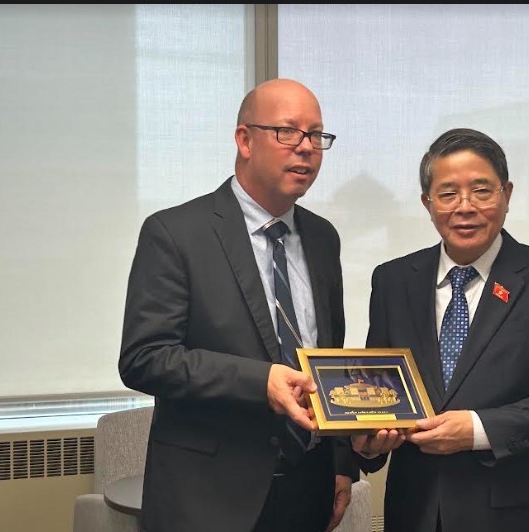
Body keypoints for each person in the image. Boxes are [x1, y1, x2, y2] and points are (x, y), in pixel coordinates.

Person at [119, 78, 358, 532]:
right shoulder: (175, 233)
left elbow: (327, 357)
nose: (306, 148)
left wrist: (341, 460)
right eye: (288, 132)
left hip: (308, 491)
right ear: (244, 140)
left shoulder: (323, 238)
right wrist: (260, 381)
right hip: (209, 497)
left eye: (316, 135)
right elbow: (144, 359)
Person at [353, 128, 529, 532]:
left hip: (515, 513)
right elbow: (383, 390)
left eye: (482, 190)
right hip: (414, 510)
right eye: (448, 193)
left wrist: (477, 429)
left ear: (506, 194)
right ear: (428, 203)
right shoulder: (393, 280)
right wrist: (368, 443)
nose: (465, 207)